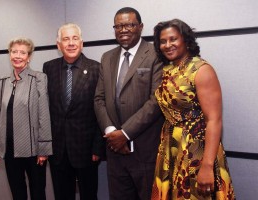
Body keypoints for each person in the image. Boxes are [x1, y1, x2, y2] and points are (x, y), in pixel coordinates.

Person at [151, 19, 235, 200]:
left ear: (186, 40)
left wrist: (206, 166)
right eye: (163, 41)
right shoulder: (168, 70)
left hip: (196, 148)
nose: (167, 45)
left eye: (173, 39)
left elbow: (214, 120)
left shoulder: (201, 70)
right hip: (171, 146)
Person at [94, 7, 164, 200]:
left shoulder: (156, 54)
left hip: (145, 151)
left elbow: (156, 101)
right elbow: (99, 99)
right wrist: (111, 133)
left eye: (129, 25)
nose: (123, 30)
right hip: (115, 152)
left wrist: (125, 134)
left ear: (140, 27)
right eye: (118, 26)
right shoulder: (107, 57)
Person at [43, 23, 104, 200]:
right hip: (58, 150)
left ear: (82, 43)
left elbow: (101, 109)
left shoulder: (96, 69)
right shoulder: (49, 68)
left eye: (75, 38)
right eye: (66, 39)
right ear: (58, 45)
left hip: (86, 150)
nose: (71, 43)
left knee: (89, 195)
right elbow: (46, 110)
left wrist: (98, 147)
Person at [0, 37, 52, 200]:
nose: (17, 55)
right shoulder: (1, 82)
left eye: (22, 52)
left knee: (38, 193)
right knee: (17, 193)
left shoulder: (39, 79)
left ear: (29, 57)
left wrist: (44, 150)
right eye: (14, 51)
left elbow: (44, 115)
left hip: (33, 151)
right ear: (9, 54)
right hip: (9, 150)